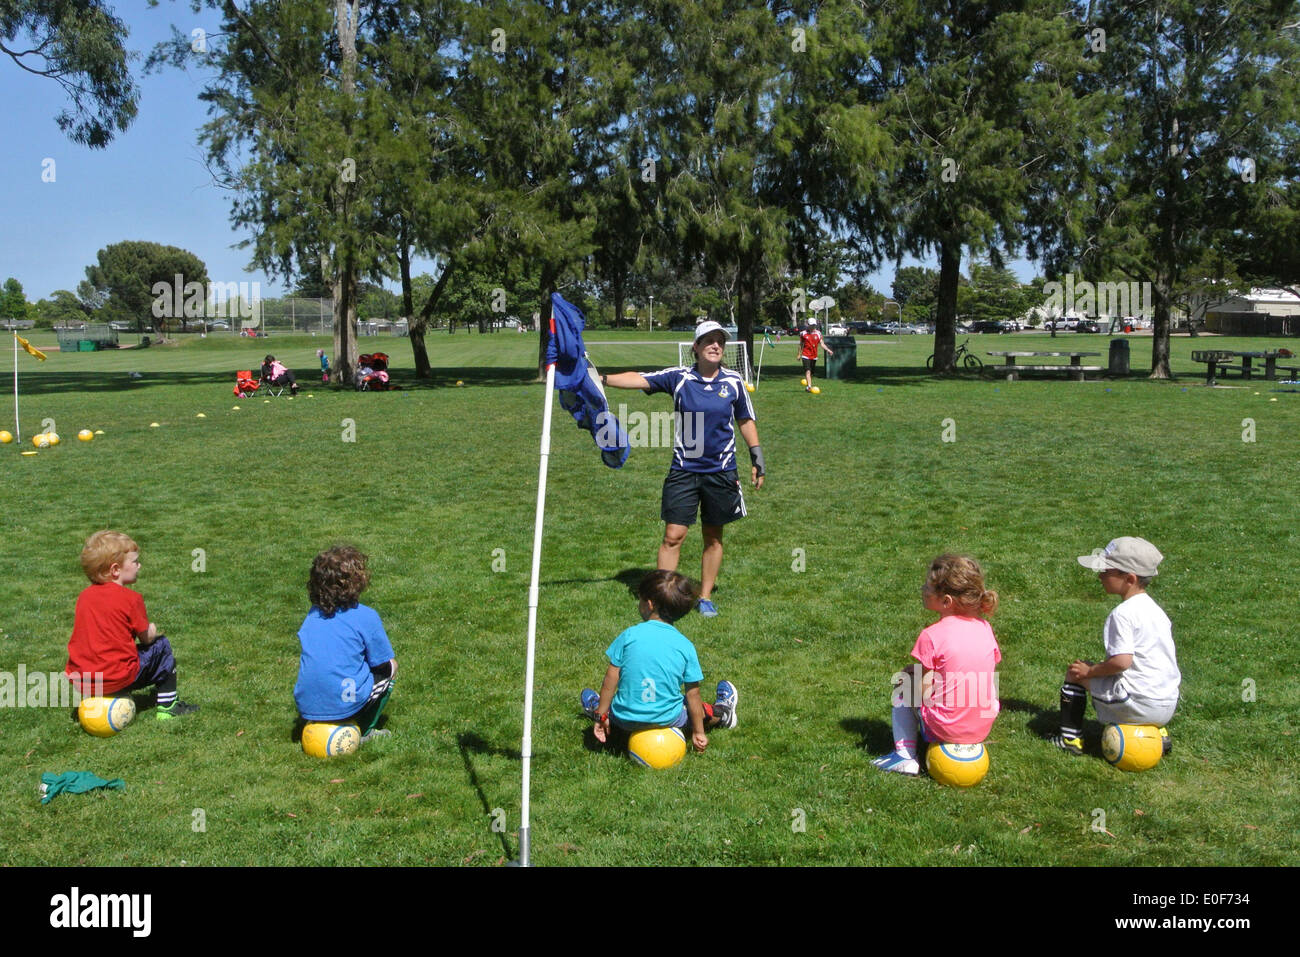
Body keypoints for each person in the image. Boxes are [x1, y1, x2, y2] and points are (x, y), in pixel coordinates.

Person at [601, 321, 764, 618]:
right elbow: (640, 379)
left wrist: (757, 456)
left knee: (713, 537)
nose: (715, 345)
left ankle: (704, 597)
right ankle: (660, 598)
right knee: (673, 535)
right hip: (684, 471)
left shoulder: (734, 381)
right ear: (696, 347)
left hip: (721, 471)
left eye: (719, 341)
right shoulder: (679, 377)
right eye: (708, 340)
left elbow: (745, 420)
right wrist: (602, 378)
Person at [580, 570, 737, 753]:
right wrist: (698, 732)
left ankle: (598, 710)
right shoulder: (685, 646)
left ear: (648, 604)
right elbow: (693, 694)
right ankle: (723, 714)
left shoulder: (629, 635)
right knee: (690, 705)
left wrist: (601, 716)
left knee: (619, 704)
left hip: (626, 719)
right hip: (668, 718)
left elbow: (611, 678)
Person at [1049, 537, 1179, 756]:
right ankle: (1159, 733)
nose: (1099, 575)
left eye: (1106, 570)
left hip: (1138, 702)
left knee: (1075, 672)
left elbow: (1121, 661)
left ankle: (1070, 739)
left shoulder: (1123, 614)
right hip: (1167, 702)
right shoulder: (1157, 612)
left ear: (1129, 578)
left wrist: (1090, 671)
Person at [873, 555, 1001, 775]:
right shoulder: (985, 628)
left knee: (904, 683)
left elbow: (923, 690)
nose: (922, 589)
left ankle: (904, 756)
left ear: (946, 601)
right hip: (982, 725)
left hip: (947, 726)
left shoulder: (932, 635)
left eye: (928, 586)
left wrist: (913, 677)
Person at [65, 531, 198, 721]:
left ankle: (97, 696)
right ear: (115, 570)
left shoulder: (84, 597)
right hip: (116, 677)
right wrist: (152, 630)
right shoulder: (130, 599)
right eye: (135, 562)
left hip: (84, 680)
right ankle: (169, 706)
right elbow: (146, 639)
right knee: (161, 646)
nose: (139, 565)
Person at [294, 546, 396, 742]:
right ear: (358, 582)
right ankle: (365, 729)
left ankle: (320, 710)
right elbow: (382, 661)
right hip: (346, 701)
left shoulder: (312, 616)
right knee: (390, 667)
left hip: (306, 704)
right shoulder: (366, 616)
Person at [798, 317, 833, 391]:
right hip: (805, 355)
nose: (813, 326)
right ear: (808, 325)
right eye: (811, 325)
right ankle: (809, 387)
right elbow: (801, 345)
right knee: (807, 371)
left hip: (814, 356)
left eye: (814, 325)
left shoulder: (818, 333)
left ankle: (809, 383)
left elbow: (822, 344)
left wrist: (828, 350)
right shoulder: (803, 333)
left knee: (811, 372)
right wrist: (799, 354)